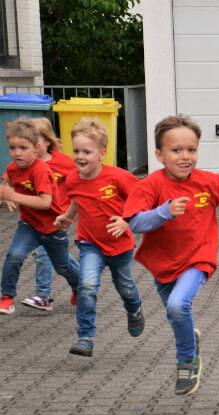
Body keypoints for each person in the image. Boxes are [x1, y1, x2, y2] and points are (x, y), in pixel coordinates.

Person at [123, 114, 219, 396]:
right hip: (163, 263)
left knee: (179, 305)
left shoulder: (208, 182)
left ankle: (187, 359)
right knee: (174, 311)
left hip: (198, 258)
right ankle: (190, 339)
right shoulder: (151, 185)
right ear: (159, 154)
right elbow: (135, 222)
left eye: (191, 150)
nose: (185, 156)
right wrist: (163, 212)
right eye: (176, 150)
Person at [54, 119, 144, 357]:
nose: (80, 156)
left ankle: (134, 310)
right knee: (86, 285)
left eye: (86, 151)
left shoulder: (117, 177)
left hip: (120, 245)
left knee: (124, 287)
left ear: (102, 154)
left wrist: (126, 220)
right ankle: (85, 336)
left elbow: (142, 197)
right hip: (89, 243)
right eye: (76, 151)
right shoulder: (73, 178)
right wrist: (67, 216)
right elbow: (77, 197)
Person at [0, 118, 80, 315]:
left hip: (55, 224)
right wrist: (4, 195)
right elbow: (7, 181)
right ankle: (7, 297)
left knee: (62, 267)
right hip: (29, 224)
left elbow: (45, 203)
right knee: (15, 255)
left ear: (39, 145)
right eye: (12, 147)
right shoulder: (13, 167)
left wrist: (75, 207)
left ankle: (82, 287)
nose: (17, 153)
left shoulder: (42, 170)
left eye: (23, 147)